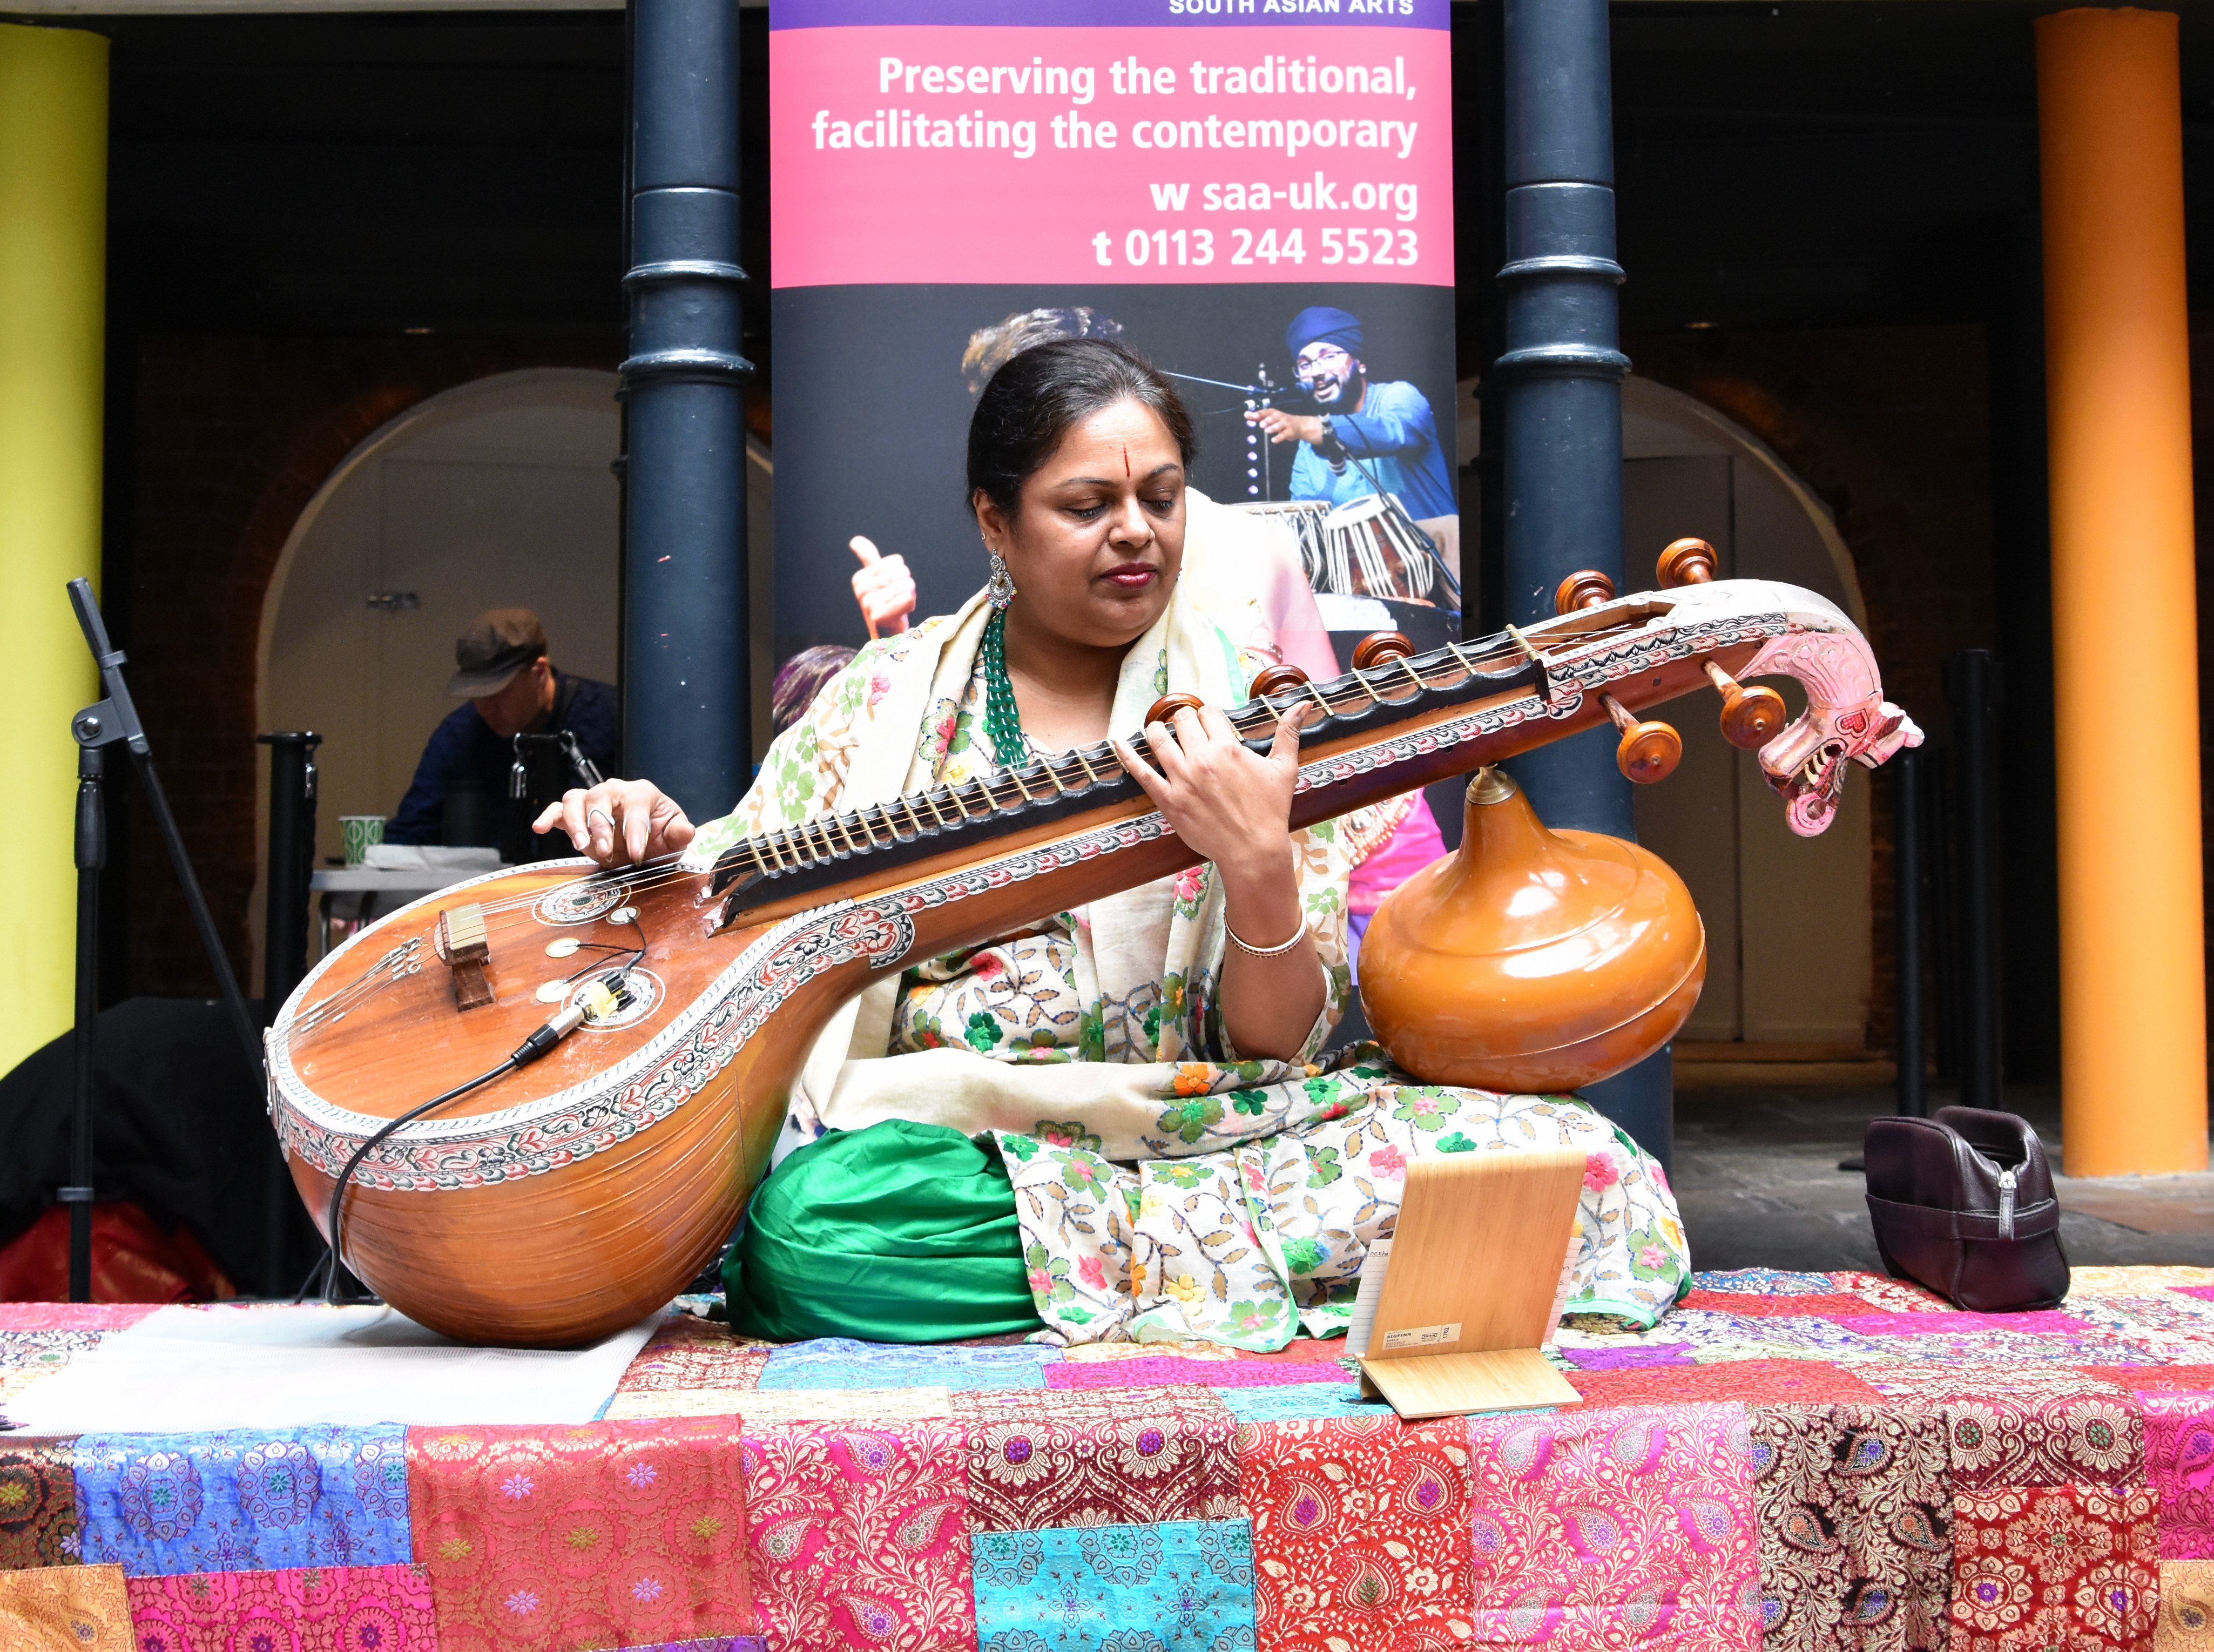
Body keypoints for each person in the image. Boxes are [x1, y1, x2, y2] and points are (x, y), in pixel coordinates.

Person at [534, 338, 1685, 1350]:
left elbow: (1275, 1045)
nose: (1138, 530)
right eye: (1088, 504)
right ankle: (1222, 1264)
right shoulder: (883, 701)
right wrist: (645, 836)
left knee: (1584, 1166)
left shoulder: (1259, 702)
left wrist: (1256, 864)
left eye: (1164, 495)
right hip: (963, 1148)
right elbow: (731, 891)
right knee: (816, 1228)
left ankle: (1124, 1260)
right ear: (995, 518)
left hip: (1207, 1124)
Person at [387, 609, 616, 862]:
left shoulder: (611, 716)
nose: (485, 708)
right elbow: (409, 835)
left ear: (540, 672)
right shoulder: (459, 735)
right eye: (476, 694)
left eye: (497, 693)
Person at [1256, 304, 1462, 571]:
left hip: (1437, 565)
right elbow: (1304, 525)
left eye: (1328, 357)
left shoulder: (1398, 396)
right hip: (1360, 579)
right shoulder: (1307, 451)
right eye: (1305, 365)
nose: (1316, 372)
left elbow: (1398, 430)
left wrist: (1317, 429)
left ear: (1360, 362)